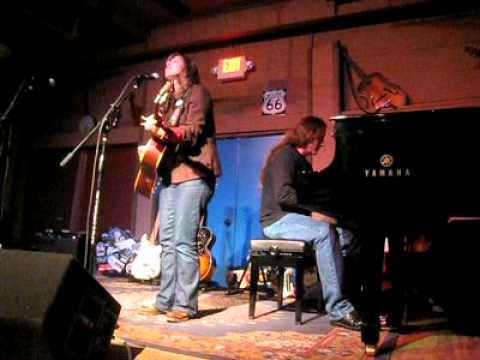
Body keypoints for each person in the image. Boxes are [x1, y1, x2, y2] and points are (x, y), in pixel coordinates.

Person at [140, 52, 222, 322]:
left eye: (175, 60)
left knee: (183, 242)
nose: (168, 62)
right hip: (171, 177)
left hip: (194, 175)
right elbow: (164, 139)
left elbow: (193, 131)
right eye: (166, 60)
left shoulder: (198, 93)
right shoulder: (168, 101)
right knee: (167, 242)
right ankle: (165, 301)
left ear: (188, 68)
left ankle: (185, 305)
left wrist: (165, 131)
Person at [260, 116, 362, 330]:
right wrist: (315, 213)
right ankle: (338, 308)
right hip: (276, 221)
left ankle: (341, 295)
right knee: (325, 232)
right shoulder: (284, 156)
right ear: (310, 136)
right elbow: (284, 196)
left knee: (346, 235)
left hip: (292, 218)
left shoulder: (303, 162)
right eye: (320, 139)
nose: (322, 143)